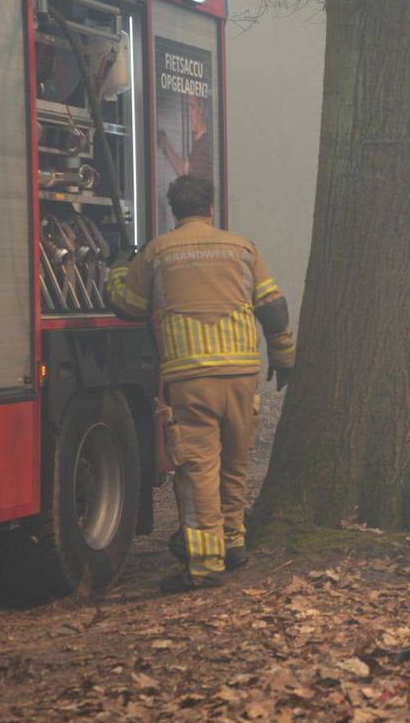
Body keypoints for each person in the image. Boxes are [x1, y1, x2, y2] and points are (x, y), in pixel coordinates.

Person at [106, 175, 295, 593]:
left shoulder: (159, 253)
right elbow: (274, 308)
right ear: (211, 208)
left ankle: (207, 564)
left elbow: (128, 305)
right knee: (234, 460)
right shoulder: (242, 248)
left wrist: (118, 267)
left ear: (176, 211)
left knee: (198, 470)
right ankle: (233, 540)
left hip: (191, 379)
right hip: (242, 375)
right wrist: (283, 358)